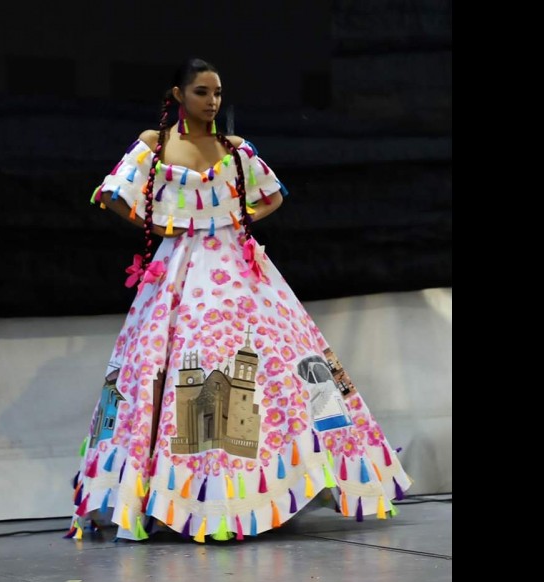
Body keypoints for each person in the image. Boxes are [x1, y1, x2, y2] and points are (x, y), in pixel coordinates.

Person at [66, 58, 411, 542]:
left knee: (271, 359)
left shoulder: (234, 148)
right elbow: (110, 193)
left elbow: (273, 194)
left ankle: (257, 489)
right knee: (176, 364)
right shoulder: (155, 144)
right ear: (178, 94)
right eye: (202, 92)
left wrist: (236, 218)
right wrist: (159, 224)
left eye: (218, 93)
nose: (212, 101)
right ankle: (179, 495)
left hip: (239, 269)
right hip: (179, 271)